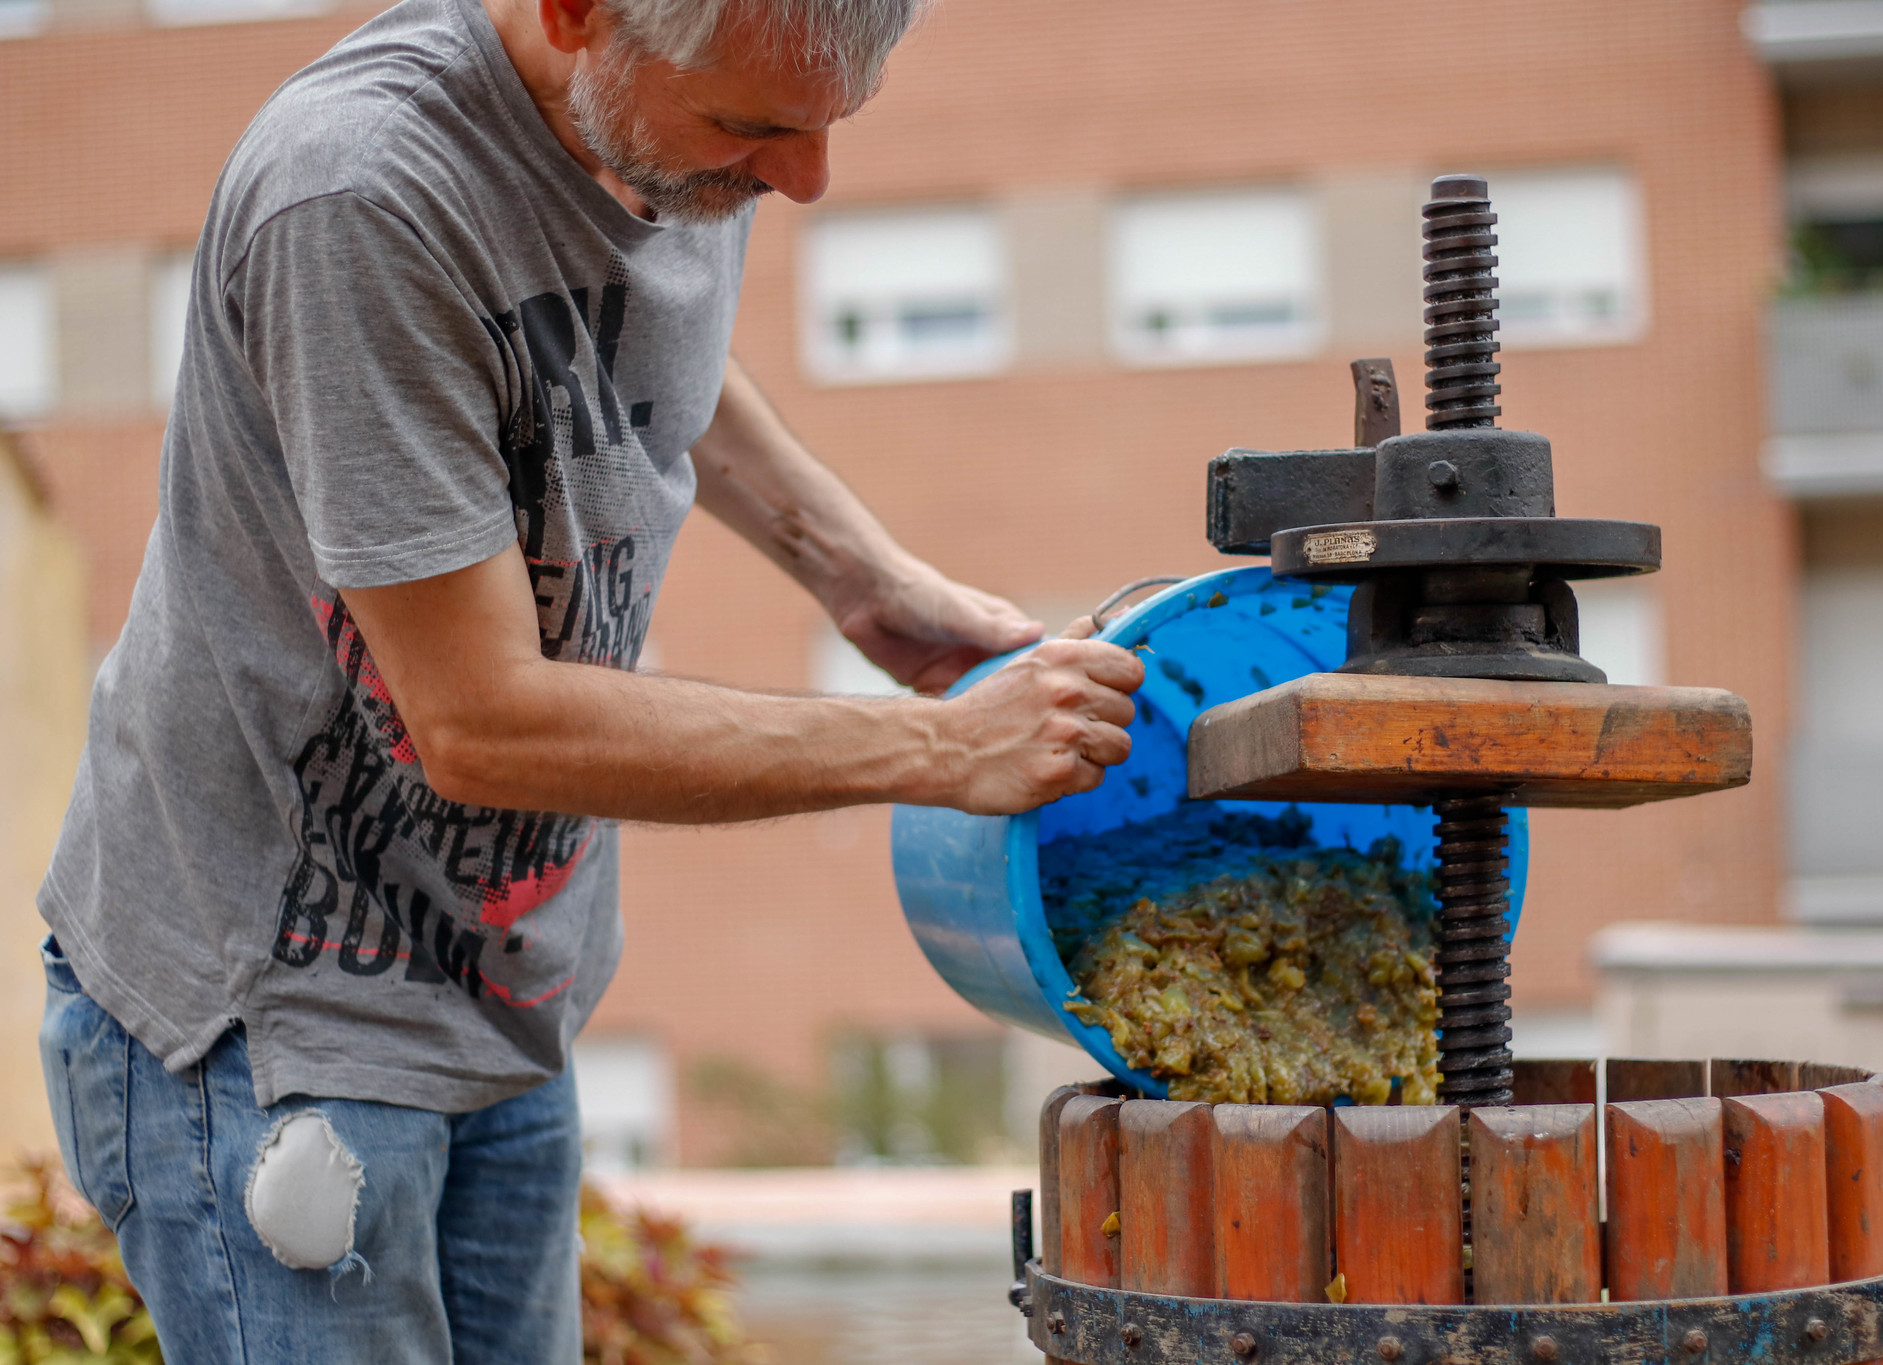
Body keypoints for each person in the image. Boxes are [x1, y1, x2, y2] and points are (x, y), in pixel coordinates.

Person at [35, 0, 1143, 1357]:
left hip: (509, 987)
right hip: (281, 1024)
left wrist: (854, 571)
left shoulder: (673, 116)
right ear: (574, 14)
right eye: (754, 128)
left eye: (826, 123)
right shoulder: (360, 199)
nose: (806, 182)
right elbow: (482, 721)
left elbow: (620, 329)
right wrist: (949, 751)